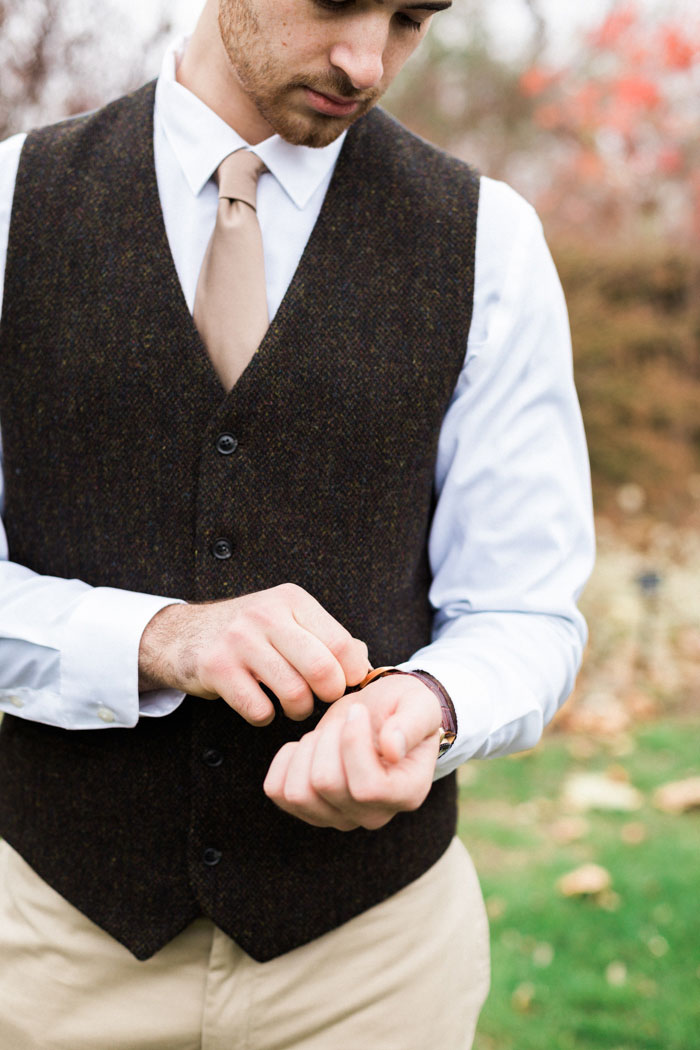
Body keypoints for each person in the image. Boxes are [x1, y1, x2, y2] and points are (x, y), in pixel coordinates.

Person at [0, 1, 594, 1047]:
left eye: (410, 17)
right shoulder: (9, 208)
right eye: (334, 1)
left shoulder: (487, 241)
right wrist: (155, 637)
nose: (368, 61)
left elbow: (524, 607)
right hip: (45, 946)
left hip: (373, 966)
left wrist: (431, 702)